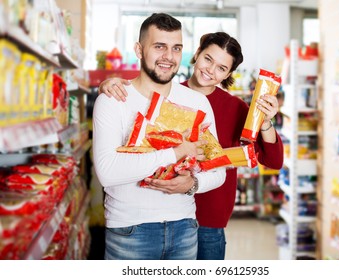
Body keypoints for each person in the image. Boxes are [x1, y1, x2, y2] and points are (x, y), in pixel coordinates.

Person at [99, 32, 284, 260]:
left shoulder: (236, 108)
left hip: (209, 220)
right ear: (197, 54)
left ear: (228, 74)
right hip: (167, 214)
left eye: (221, 68)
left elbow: (273, 161)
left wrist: (265, 123)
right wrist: (111, 84)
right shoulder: (166, 93)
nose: (210, 70)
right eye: (208, 59)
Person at [92, 13, 226, 260]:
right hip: (129, 230)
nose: (168, 56)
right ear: (139, 50)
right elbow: (107, 172)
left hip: (185, 227)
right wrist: (175, 153)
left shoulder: (197, 102)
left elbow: (218, 171)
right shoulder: (113, 100)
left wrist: (193, 185)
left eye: (176, 48)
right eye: (159, 47)